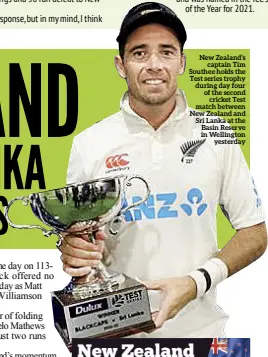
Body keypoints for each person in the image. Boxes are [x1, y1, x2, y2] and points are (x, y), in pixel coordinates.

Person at [59, 2, 267, 337]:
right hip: (115, 338)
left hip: (202, 336)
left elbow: (255, 233)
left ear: (182, 61)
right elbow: (79, 243)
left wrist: (196, 282)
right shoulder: (89, 143)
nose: (154, 65)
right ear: (120, 65)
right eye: (139, 53)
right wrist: (75, 252)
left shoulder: (217, 133)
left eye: (166, 52)